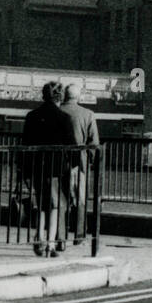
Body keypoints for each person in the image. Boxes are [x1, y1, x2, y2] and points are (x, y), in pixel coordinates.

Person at [20, 81, 72, 257]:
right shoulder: (64, 118)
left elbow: (25, 145)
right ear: (61, 97)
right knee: (55, 205)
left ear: (44, 95)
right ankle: (50, 243)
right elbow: (71, 146)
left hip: (36, 167)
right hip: (56, 169)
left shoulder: (31, 116)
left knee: (42, 204)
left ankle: (39, 238)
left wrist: (24, 171)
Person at [59, 82, 100, 244]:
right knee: (80, 198)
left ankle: (60, 236)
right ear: (78, 96)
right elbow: (94, 142)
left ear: (65, 95)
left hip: (59, 162)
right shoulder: (88, 114)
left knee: (60, 198)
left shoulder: (58, 111)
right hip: (79, 162)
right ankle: (79, 234)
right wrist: (90, 160)